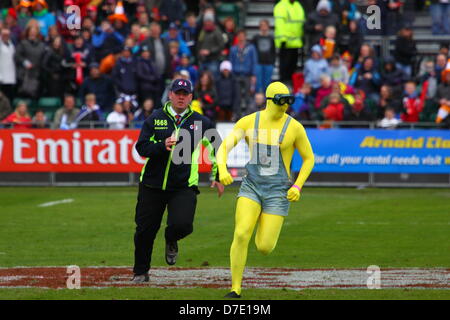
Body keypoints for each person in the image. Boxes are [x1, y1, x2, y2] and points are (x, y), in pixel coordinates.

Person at [217, 81, 315, 298]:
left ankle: (263, 217)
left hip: (278, 192)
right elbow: (224, 147)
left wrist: (298, 185)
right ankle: (235, 288)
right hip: (251, 186)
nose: (285, 106)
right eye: (282, 101)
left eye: (289, 101)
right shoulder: (249, 122)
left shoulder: (294, 127)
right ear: (270, 100)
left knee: (264, 246)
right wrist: (222, 168)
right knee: (241, 233)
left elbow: (309, 159)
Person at [132, 78, 224, 283]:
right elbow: (141, 147)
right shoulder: (155, 118)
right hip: (151, 184)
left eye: (185, 94)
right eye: (178, 93)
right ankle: (140, 272)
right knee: (145, 231)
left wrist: (218, 176)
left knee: (183, 225)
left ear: (191, 97)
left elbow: (218, 147)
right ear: (170, 95)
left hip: (183, 186)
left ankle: (171, 238)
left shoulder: (201, 122)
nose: (181, 97)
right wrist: (161, 145)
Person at [273, 0, 306, 83]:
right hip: (285, 43)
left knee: (293, 65)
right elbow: (280, 24)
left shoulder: (298, 5)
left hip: (296, 43)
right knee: (284, 66)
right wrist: (283, 40)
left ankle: (291, 83)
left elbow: (300, 23)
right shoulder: (281, 5)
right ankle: (283, 82)